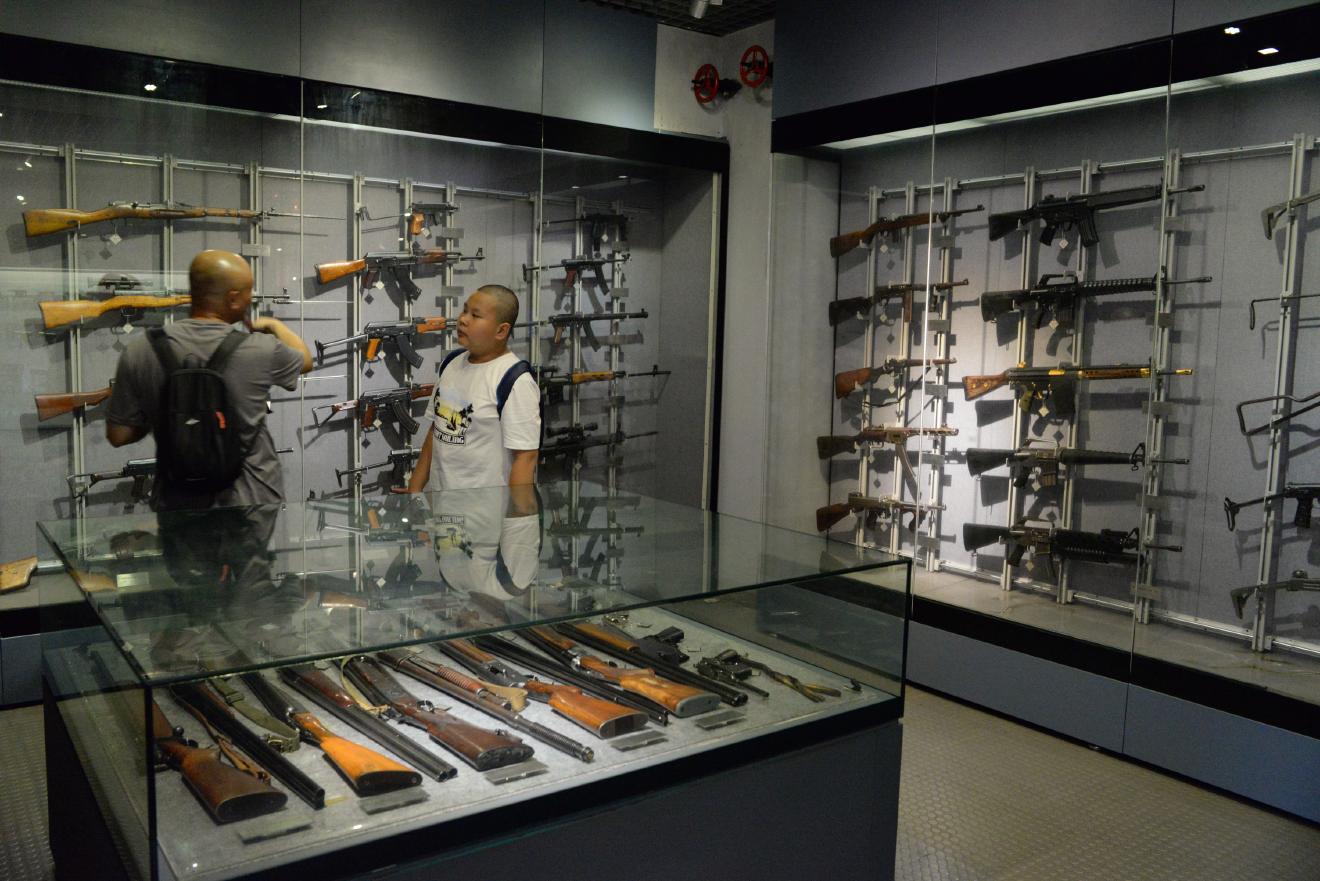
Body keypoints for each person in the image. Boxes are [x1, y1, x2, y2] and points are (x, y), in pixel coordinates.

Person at [106, 249, 313, 510]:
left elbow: (119, 434)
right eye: (248, 291)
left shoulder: (141, 350)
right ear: (233, 298)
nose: (251, 298)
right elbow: (305, 360)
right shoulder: (260, 348)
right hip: (251, 504)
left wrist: (170, 416)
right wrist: (275, 326)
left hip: (176, 504)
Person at [401, 284, 540, 491]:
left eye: (475, 315)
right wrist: (414, 491)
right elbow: (436, 432)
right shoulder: (451, 363)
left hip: (487, 508)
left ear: (501, 330)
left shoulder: (515, 381)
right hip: (441, 504)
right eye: (465, 310)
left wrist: (519, 511)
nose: (463, 319)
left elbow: (525, 459)